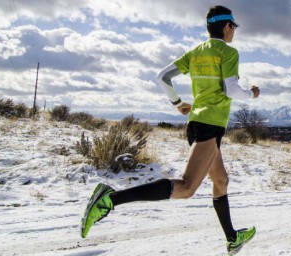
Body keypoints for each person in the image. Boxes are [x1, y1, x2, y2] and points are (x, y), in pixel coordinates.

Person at [80, 5, 259, 255]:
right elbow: (231, 90)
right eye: (234, 27)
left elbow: (162, 77)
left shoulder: (195, 53)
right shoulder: (228, 53)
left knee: (221, 180)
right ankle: (110, 199)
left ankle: (232, 238)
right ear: (227, 26)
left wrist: (177, 103)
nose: (234, 32)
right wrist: (252, 93)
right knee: (186, 188)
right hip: (209, 126)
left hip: (197, 123)